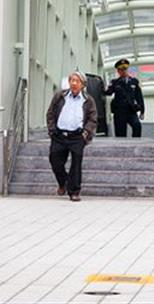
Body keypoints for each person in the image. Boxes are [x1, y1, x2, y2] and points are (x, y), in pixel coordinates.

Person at [46, 71, 97, 201]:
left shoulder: (88, 100)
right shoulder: (60, 96)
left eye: (77, 81)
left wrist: (86, 133)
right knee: (55, 159)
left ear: (83, 84)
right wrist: (52, 129)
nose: (74, 83)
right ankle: (63, 182)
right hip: (59, 135)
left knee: (76, 164)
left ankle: (74, 192)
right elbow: (50, 113)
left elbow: (92, 119)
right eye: (72, 80)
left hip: (77, 136)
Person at [105, 58, 145, 137]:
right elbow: (108, 92)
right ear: (118, 71)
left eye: (125, 69)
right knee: (120, 134)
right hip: (119, 112)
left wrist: (142, 111)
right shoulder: (115, 82)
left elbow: (139, 97)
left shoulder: (134, 82)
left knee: (137, 125)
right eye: (121, 70)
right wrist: (104, 88)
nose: (124, 71)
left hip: (131, 111)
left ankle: (136, 143)